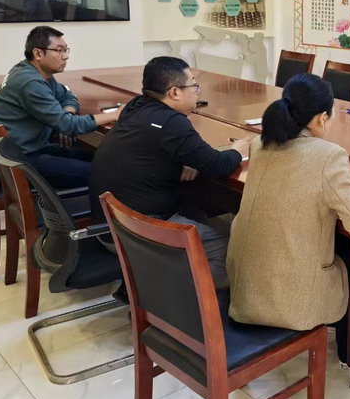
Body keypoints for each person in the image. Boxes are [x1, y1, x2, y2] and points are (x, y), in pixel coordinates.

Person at [226, 73, 350, 363]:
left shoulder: (260, 144)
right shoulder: (328, 156)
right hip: (291, 302)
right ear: (321, 118)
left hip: (245, 290)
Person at [89, 57, 249, 288]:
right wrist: (238, 151)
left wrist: (183, 160)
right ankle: (166, 294)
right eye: (194, 86)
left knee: (198, 208)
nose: (197, 92)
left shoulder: (134, 107)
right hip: (136, 233)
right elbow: (217, 165)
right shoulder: (172, 123)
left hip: (112, 225)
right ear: (174, 92)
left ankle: (163, 279)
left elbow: (151, 151)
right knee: (234, 250)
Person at [0, 26, 120, 189]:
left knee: (106, 160)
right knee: (109, 174)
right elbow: (70, 126)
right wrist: (115, 114)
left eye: (66, 50)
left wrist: (66, 113)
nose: (66, 56)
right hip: (23, 162)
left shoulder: (31, 71)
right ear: (38, 54)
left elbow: (68, 96)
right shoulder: (31, 83)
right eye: (59, 50)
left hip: (26, 151)